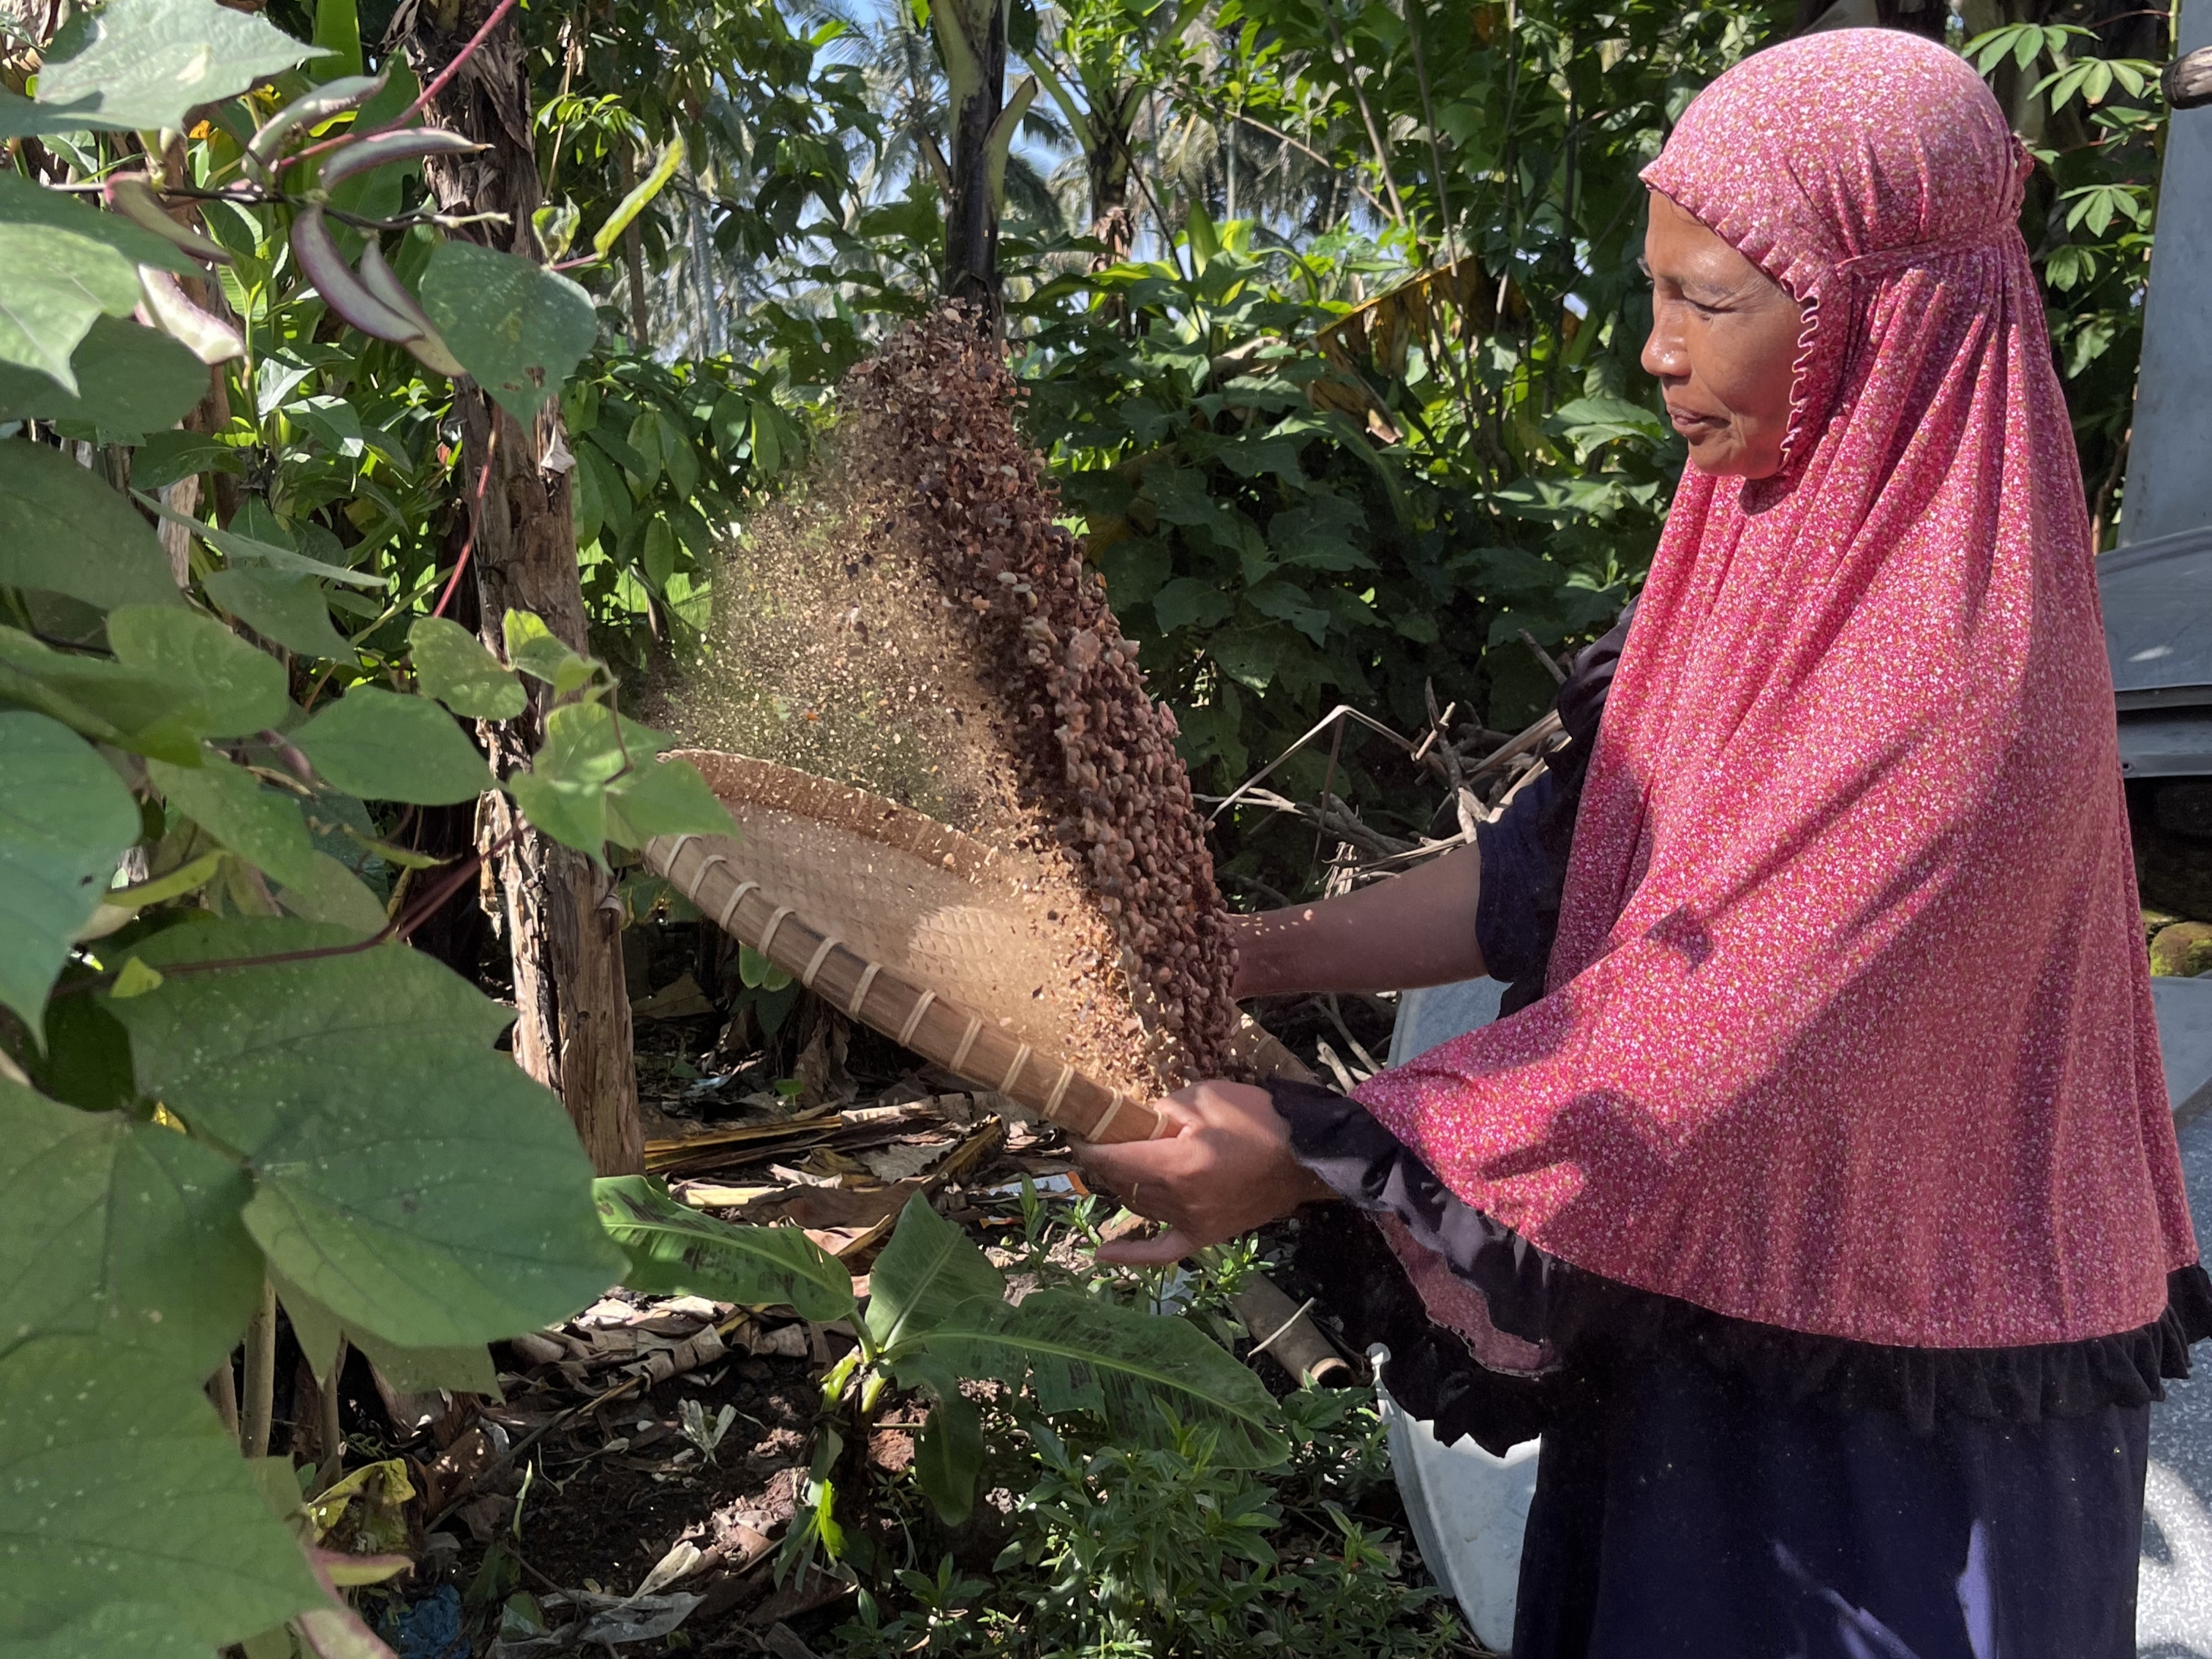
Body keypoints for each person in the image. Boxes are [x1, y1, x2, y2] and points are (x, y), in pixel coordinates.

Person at [1079, 29, 2211, 1659]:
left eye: (1714, 301)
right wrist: (1249, 955)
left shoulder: (1965, 673)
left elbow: (1726, 1019)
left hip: (1904, 1423)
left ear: (1878, 325)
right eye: (1654, 290)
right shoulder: (1755, 555)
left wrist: (1329, 1142)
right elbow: (1568, 861)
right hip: (1723, 1322)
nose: (1659, 351)